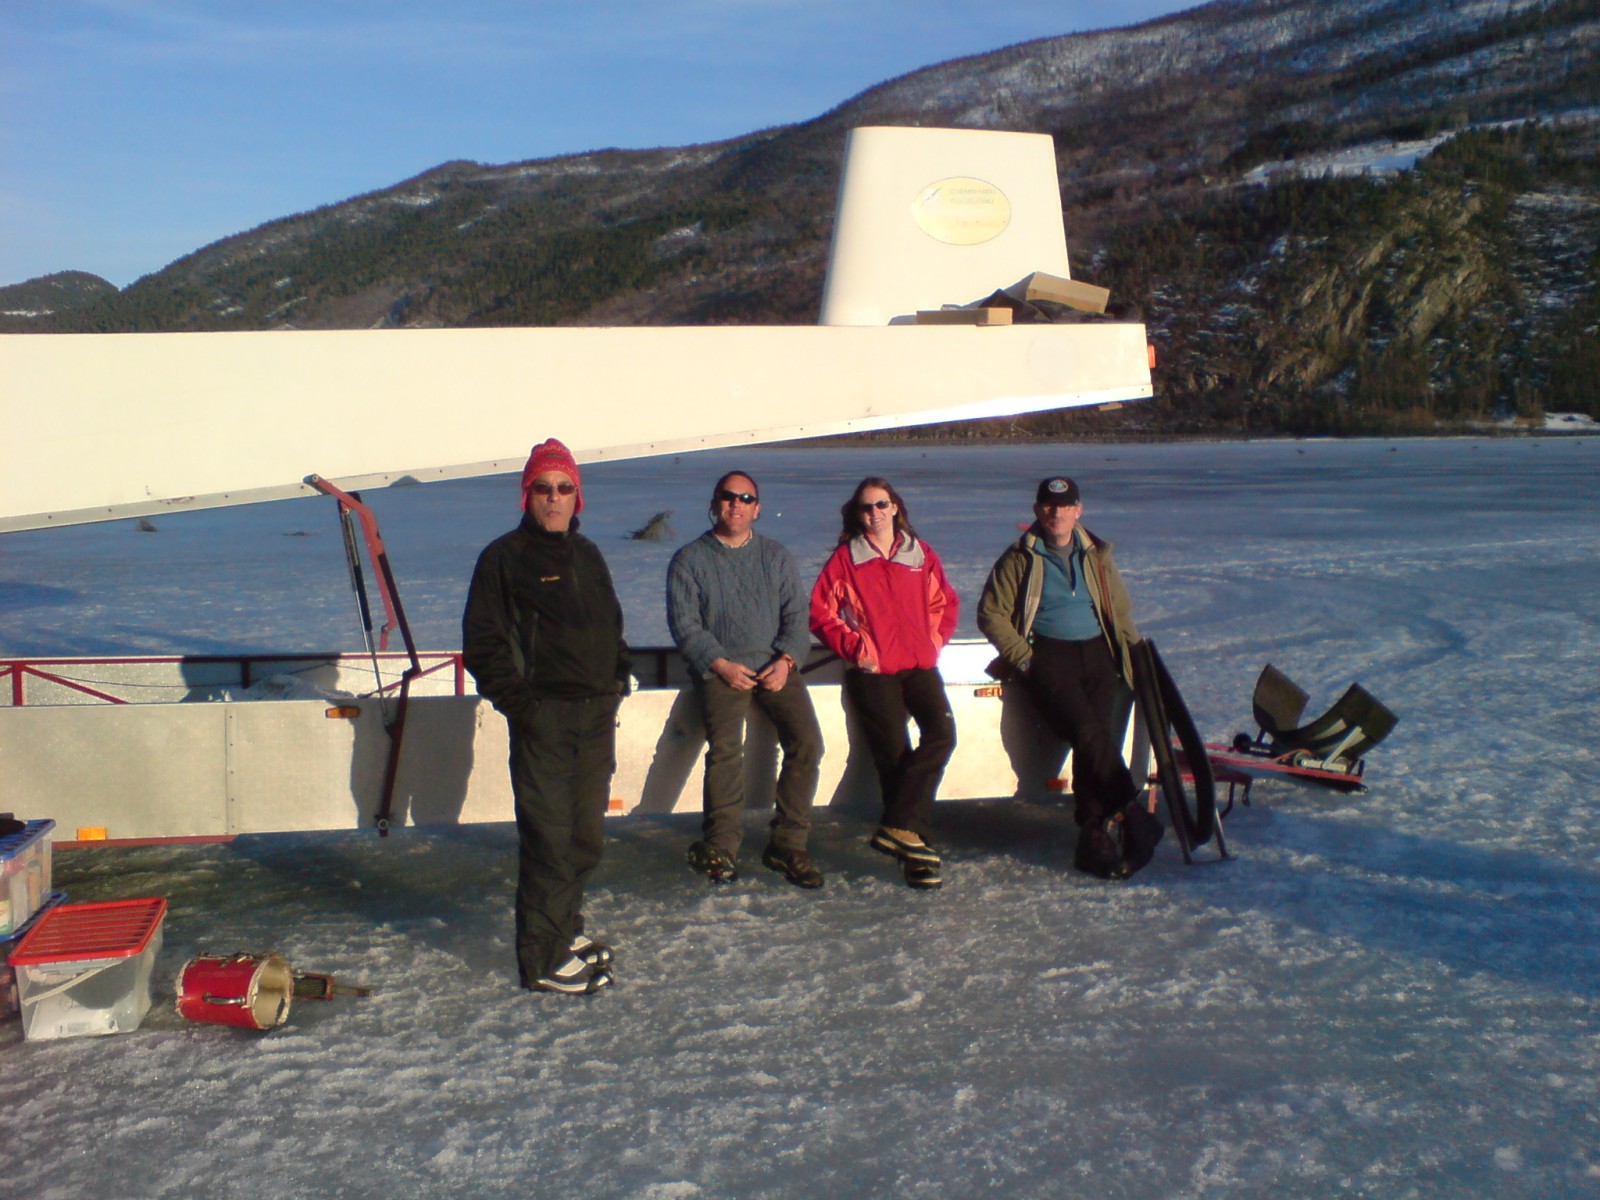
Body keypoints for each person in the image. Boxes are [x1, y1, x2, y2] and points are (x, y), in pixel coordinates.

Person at [462, 439, 630, 994]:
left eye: (564, 488)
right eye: (543, 488)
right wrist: (525, 708)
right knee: (549, 839)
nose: (554, 498)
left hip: (596, 714)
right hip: (545, 719)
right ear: (526, 495)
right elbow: (483, 645)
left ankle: (564, 928)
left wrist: (617, 677)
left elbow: (611, 623)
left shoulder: (588, 555)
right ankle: (541, 959)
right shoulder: (503, 558)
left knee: (585, 836)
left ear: (577, 496)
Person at [976, 475, 1162, 879]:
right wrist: (1026, 659)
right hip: (1049, 656)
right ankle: (1133, 814)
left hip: (1099, 654)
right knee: (1088, 733)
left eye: (1064, 506)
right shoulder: (1020, 557)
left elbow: (1119, 611)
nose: (1056, 513)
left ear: (1078, 510)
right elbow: (990, 614)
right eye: (1048, 505)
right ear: (1036, 510)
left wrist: (1135, 658)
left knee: (1092, 741)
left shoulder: (1096, 554)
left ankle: (1093, 838)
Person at [667, 470, 825, 889]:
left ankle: (788, 845)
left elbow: (797, 618)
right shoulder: (689, 560)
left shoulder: (775, 556)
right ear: (714, 504)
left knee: (807, 742)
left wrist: (787, 660)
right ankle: (721, 846)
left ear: (757, 509)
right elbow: (685, 625)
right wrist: (719, 664)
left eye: (745, 498)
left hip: (774, 665)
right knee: (725, 750)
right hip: (721, 669)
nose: (736, 504)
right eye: (728, 497)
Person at [810, 477, 958, 889]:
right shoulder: (846, 559)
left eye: (880, 505)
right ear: (857, 514)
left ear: (894, 508)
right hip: (874, 672)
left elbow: (945, 603)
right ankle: (918, 858)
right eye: (866, 507)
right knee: (894, 756)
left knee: (942, 735)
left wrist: (932, 643)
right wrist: (858, 649)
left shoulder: (920, 554)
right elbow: (821, 614)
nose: (873, 513)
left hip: (919, 666)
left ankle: (897, 825)